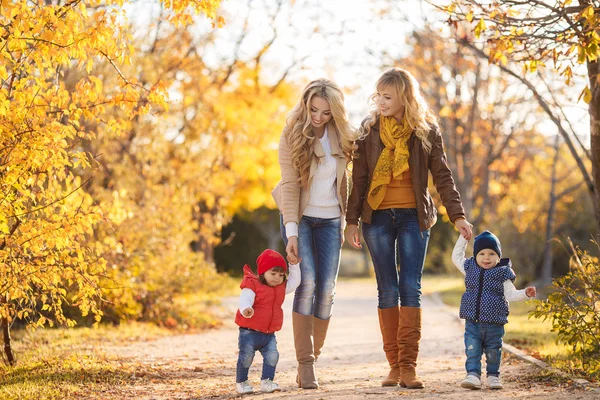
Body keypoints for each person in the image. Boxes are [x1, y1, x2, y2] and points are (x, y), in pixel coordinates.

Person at [345, 67, 473, 389]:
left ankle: (409, 366)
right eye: (378, 95)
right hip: (376, 217)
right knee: (387, 288)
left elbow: (442, 176)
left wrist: (457, 215)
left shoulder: (425, 131)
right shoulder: (369, 131)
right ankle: (393, 366)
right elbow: (358, 180)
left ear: (404, 98)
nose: (380, 101)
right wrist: (350, 221)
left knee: (410, 286)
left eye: (387, 96)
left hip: (414, 217)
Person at [272, 78, 358, 389]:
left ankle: (313, 355)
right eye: (313, 110)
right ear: (305, 105)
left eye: (325, 112)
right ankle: (305, 364)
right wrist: (291, 232)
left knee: (327, 289)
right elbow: (291, 185)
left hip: (331, 219)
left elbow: (353, 180)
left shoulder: (345, 136)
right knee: (307, 282)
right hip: (301, 218)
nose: (318, 117)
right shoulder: (292, 133)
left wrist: (352, 221)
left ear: (335, 112)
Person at [452, 230, 537, 390]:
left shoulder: (502, 273)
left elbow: (511, 295)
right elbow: (456, 257)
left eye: (491, 253)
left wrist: (525, 293)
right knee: (472, 350)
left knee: (493, 352)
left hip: (494, 324)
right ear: (475, 255)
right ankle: (473, 375)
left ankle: (493, 376)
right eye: (482, 253)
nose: (486, 257)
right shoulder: (470, 268)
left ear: (498, 257)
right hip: (473, 323)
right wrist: (463, 240)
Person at [234, 249, 301, 394]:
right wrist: (246, 309)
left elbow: (295, 282)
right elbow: (245, 298)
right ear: (263, 272)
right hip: (249, 333)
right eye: (273, 273)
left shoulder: (281, 287)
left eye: (281, 274)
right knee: (246, 358)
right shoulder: (252, 284)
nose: (277, 278)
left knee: (273, 356)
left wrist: (294, 265)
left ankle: (267, 381)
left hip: (269, 334)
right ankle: (242, 382)